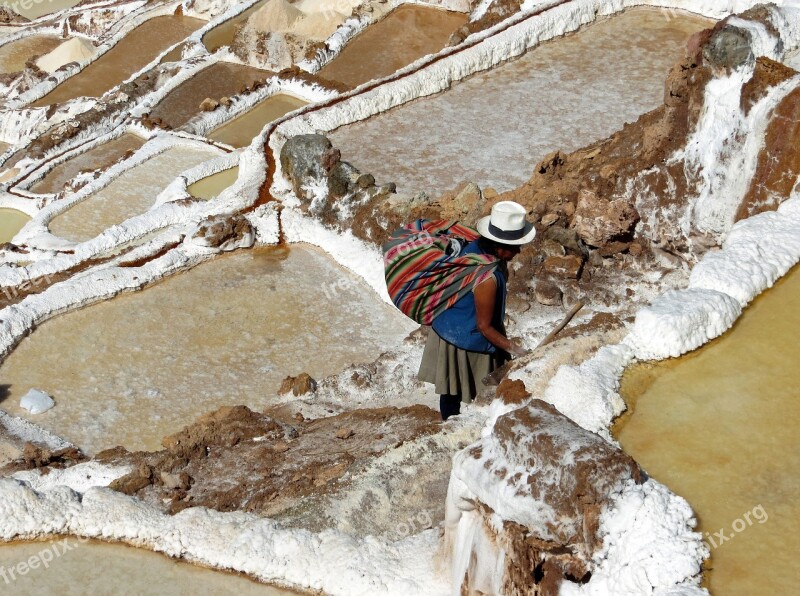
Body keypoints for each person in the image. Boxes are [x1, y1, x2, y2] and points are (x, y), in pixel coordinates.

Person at [417, 201, 536, 420]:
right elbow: (484, 327)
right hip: (463, 337)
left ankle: (449, 422)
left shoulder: (474, 247)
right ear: (499, 245)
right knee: (469, 391)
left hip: (448, 326)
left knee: (450, 387)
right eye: (514, 247)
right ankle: (457, 425)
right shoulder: (487, 278)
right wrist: (516, 350)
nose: (518, 251)